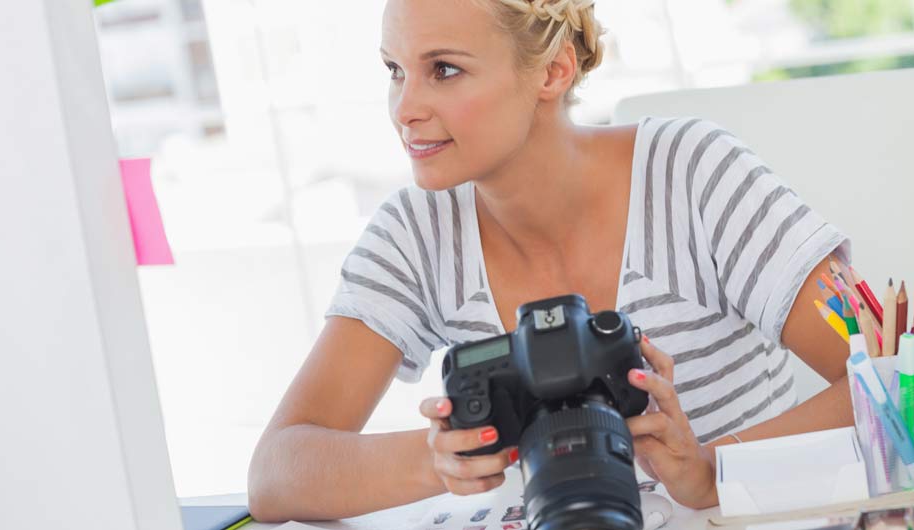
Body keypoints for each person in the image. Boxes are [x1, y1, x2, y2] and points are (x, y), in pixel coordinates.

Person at [247, 0, 855, 522]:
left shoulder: (694, 176)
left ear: (553, 71)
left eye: (444, 70)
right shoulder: (418, 230)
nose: (404, 108)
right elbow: (277, 471)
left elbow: (893, 379)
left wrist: (712, 469)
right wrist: (443, 454)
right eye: (394, 70)